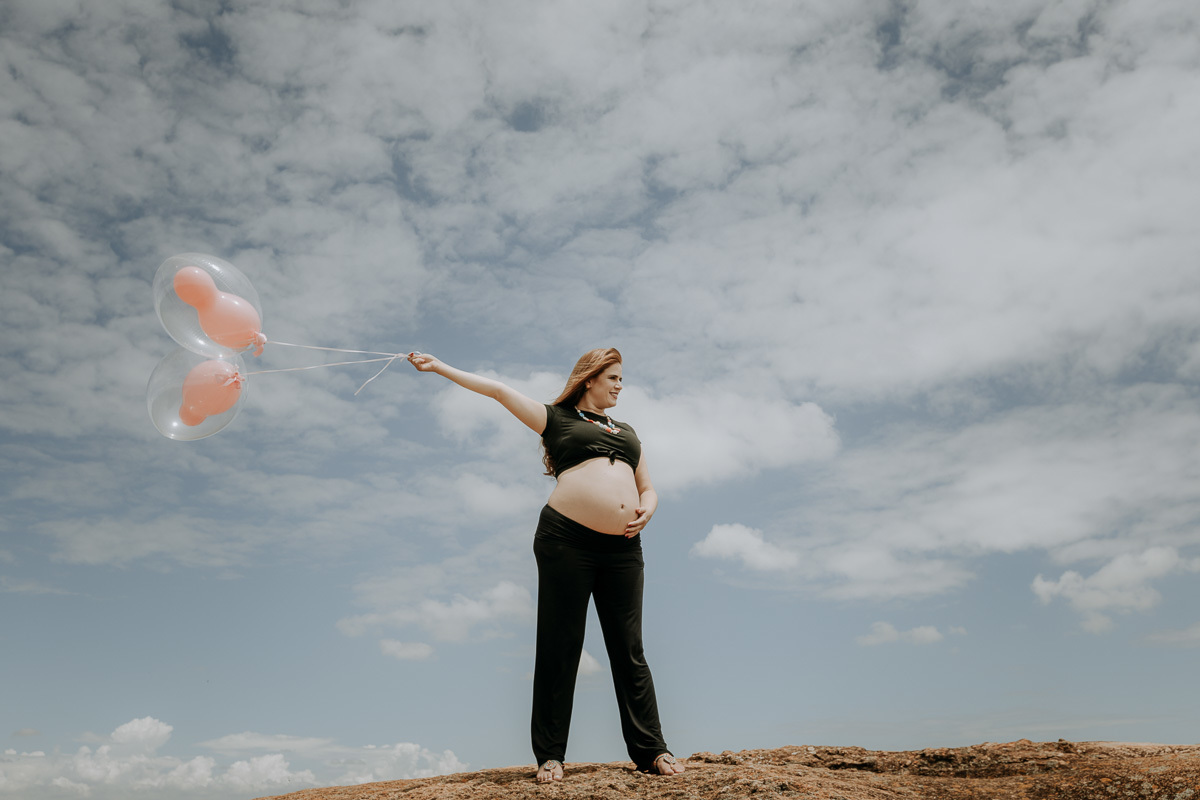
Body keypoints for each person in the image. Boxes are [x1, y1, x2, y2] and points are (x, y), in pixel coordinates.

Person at [407, 347, 685, 783]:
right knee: (560, 645)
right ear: (590, 379)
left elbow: (647, 486)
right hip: (566, 541)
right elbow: (498, 391)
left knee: (629, 649)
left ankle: (652, 750)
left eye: (621, 379)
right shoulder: (557, 419)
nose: (619, 385)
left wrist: (647, 508)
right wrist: (438, 366)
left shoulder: (628, 432)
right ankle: (551, 755)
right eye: (612, 377)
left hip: (624, 549)